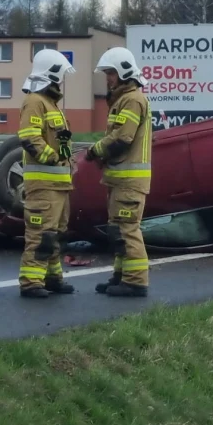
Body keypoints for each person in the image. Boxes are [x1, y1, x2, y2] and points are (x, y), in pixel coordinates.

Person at [87, 47, 153, 297]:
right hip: (119, 179)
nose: (108, 78)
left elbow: (122, 138)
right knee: (117, 231)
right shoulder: (124, 99)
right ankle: (121, 276)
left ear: (125, 72)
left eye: (111, 73)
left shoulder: (133, 99)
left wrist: (96, 150)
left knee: (127, 230)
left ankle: (135, 281)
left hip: (129, 182)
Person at [16, 49, 77, 298]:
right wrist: (53, 158)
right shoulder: (34, 101)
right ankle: (31, 282)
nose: (62, 80)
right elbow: (29, 137)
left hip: (59, 184)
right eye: (60, 74)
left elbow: (60, 141)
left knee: (53, 235)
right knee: (40, 235)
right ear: (50, 73)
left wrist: (66, 160)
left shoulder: (51, 104)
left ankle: (52, 278)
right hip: (43, 184)